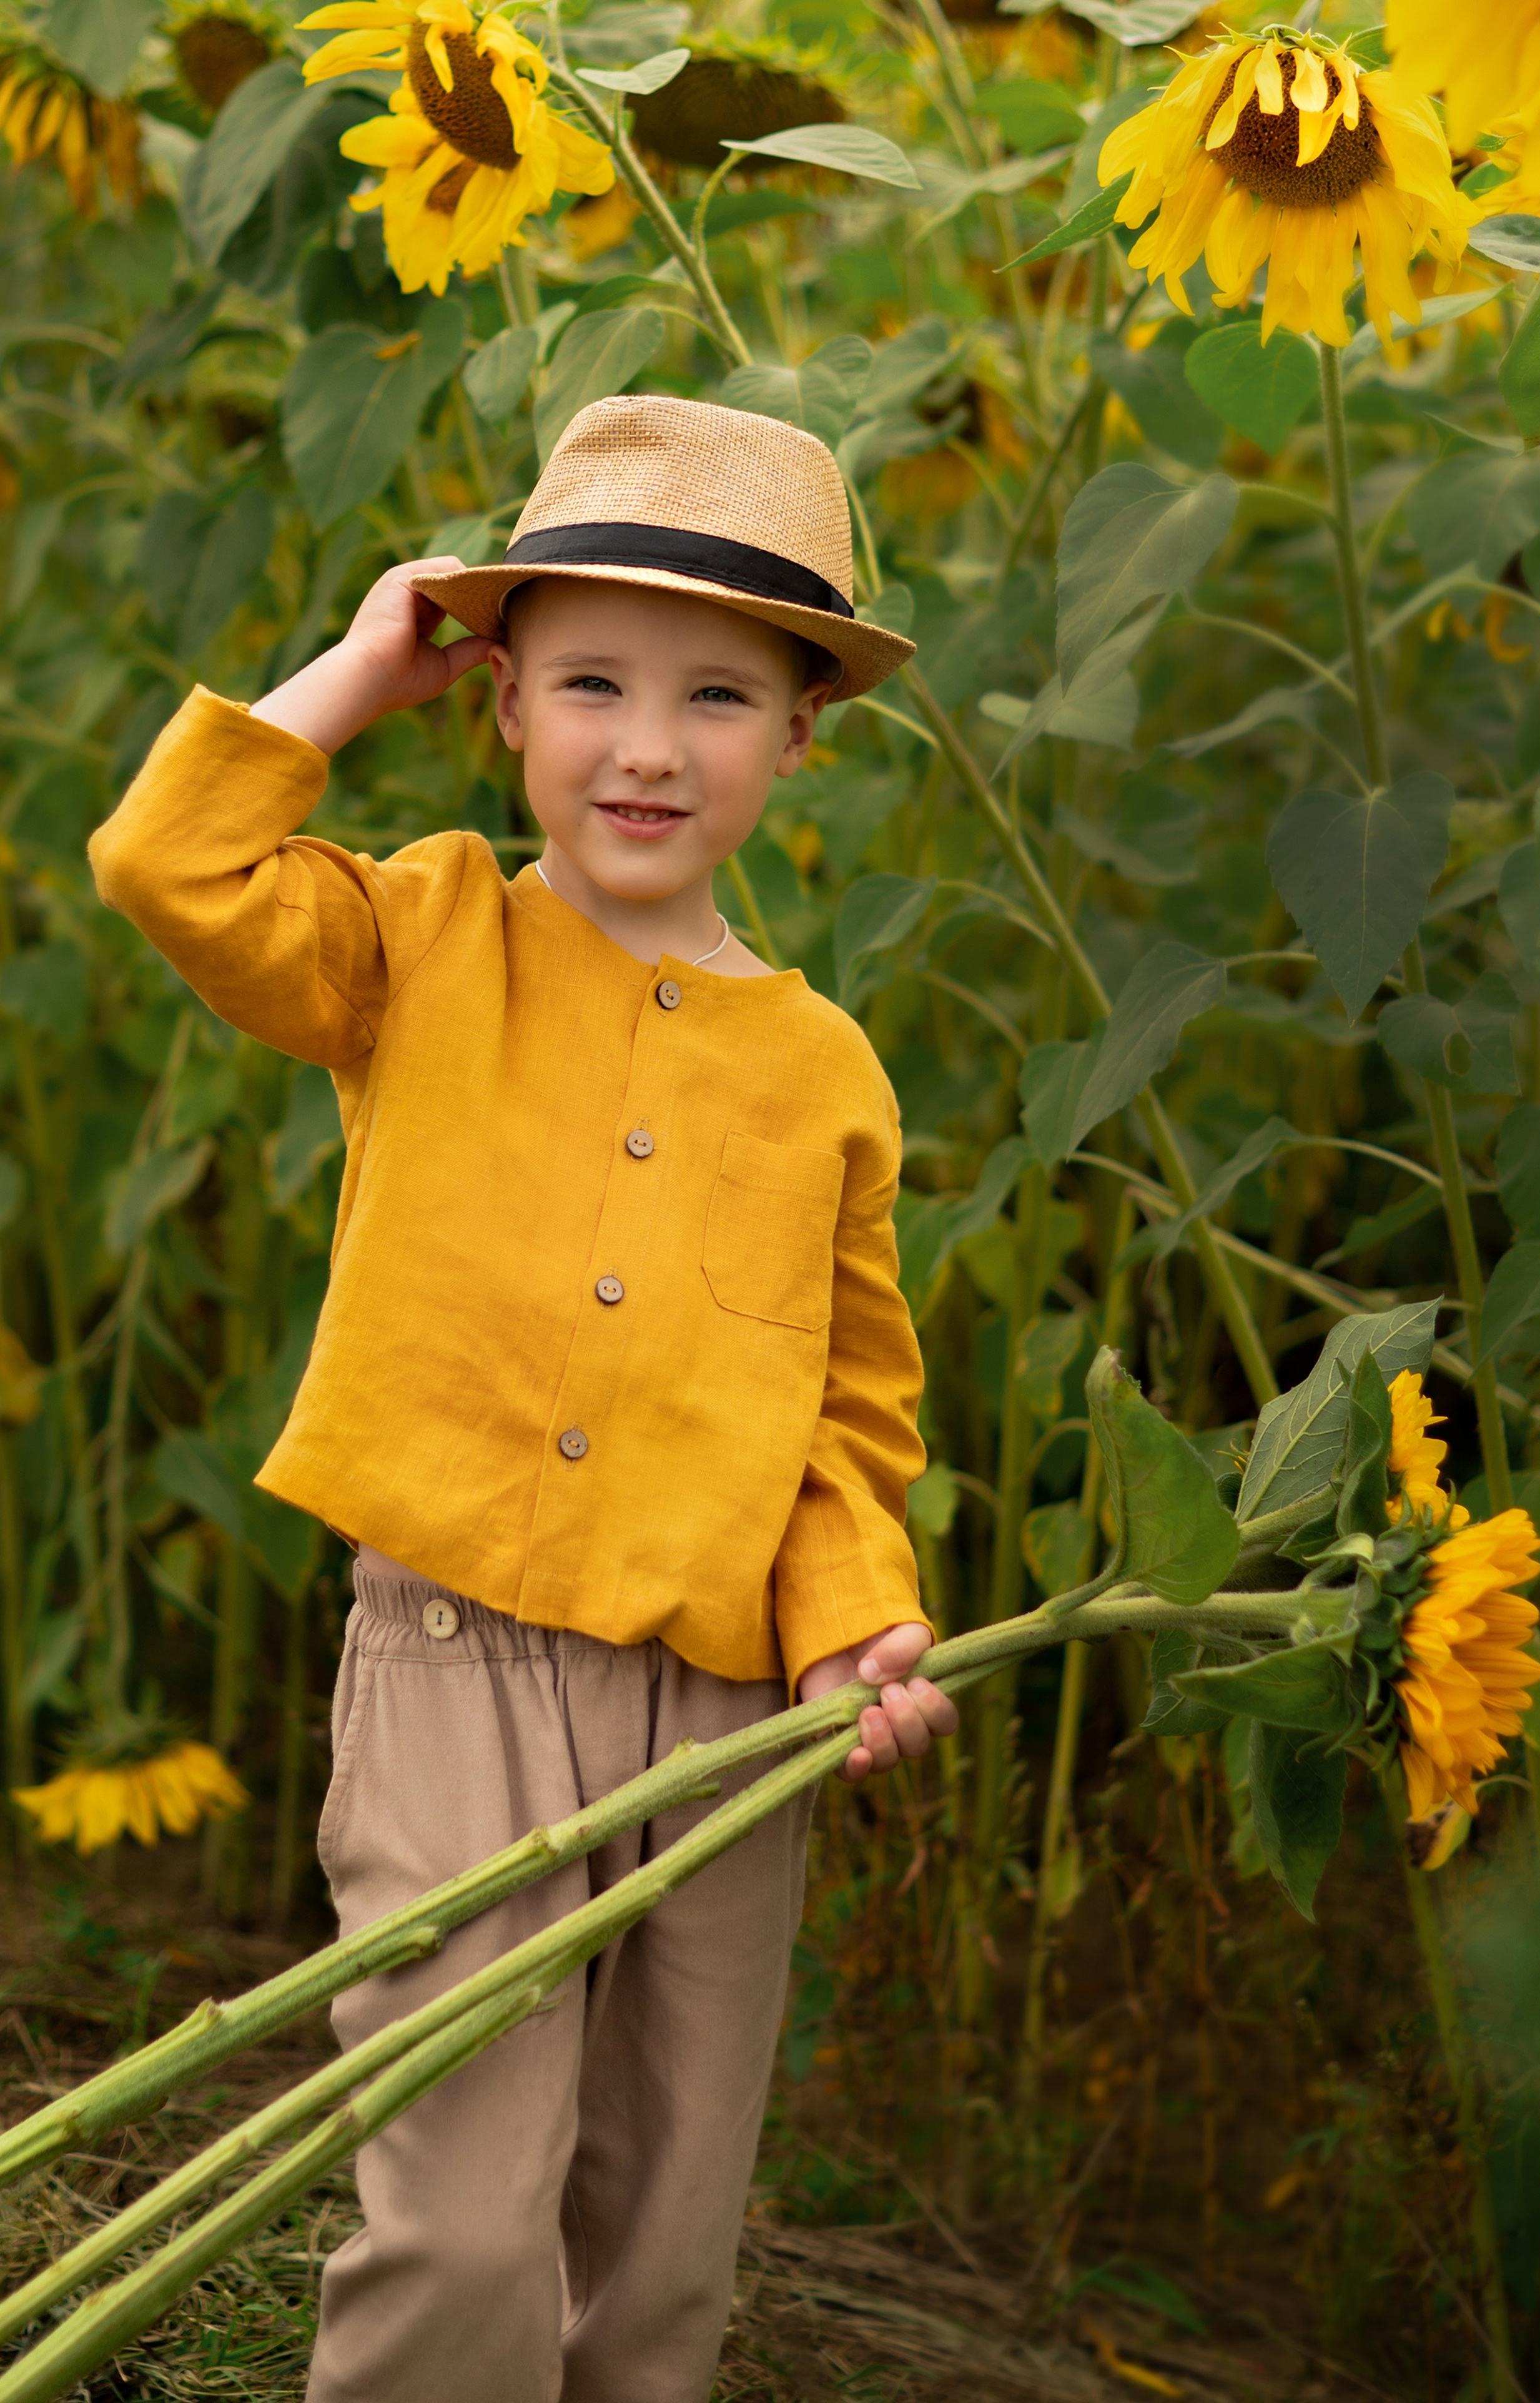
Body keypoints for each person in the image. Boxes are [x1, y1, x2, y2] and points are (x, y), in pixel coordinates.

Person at [88, 393, 957, 2403]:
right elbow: (167, 862)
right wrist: (360, 669)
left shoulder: (825, 1066)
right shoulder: (412, 936)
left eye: (721, 696)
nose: (649, 747)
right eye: (588, 682)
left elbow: (847, 1411)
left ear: (800, 736)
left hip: (725, 1710)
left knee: (660, 2244)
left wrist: (853, 1631)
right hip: (458, 1662)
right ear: (498, 704)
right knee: (466, 2217)